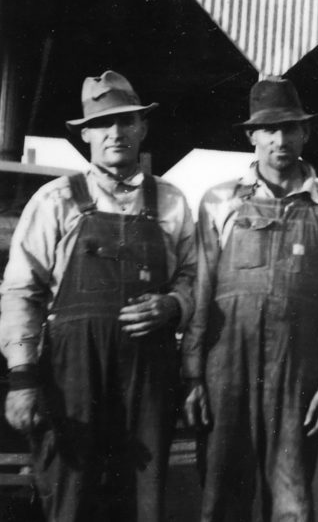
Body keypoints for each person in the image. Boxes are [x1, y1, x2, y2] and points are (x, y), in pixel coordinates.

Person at [0, 70, 196, 521]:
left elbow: (194, 275)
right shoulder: (55, 201)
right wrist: (23, 380)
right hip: (73, 377)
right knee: (71, 498)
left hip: (148, 378)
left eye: (127, 121)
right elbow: (20, 291)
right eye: (104, 124)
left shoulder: (172, 201)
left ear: (143, 128)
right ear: (86, 134)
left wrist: (173, 305)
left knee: (142, 499)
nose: (116, 133)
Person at [181, 76, 318, 522]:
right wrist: (193, 375)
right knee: (222, 495)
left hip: (298, 368)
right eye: (269, 130)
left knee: (293, 498)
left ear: (306, 133)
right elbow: (200, 292)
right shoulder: (219, 201)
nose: (280, 140)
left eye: (290, 128)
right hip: (227, 368)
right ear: (252, 137)